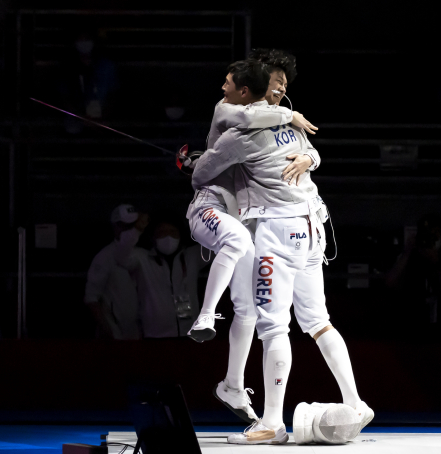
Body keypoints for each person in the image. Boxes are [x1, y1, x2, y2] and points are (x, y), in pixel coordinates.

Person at [192, 49, 372, 445]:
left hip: (278, 228)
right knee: (317, 320)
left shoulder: (240, 134)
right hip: (314, 228)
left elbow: (201, 174)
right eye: (275, 84)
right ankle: (356, 402)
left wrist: (198, 160)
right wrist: (307, 154)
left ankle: (272, 422)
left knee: (273, 325)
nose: (280, 90)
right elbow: (309, 146)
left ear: (244, 91)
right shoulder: (291, 123)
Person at [182, 58, 317, 422]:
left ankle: (232, 385)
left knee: (250, 309)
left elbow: (307, 151)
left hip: (240, 218)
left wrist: (307, 157)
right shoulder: (232, 115)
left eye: (283, 84)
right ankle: (206, 316)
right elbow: (242, 127)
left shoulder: (269, 123)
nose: (280, 91)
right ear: (254, 89)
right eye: (274, 83)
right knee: (239, 240)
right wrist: (290, 116)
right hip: (212, 206)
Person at [115, 219, 210, 338]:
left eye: (172, 232)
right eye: (162, 232)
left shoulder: (192, 256)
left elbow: (221, 243)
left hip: (190, 334)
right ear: (152, 237)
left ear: (180, 235)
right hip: (155, 335)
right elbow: (121, 255)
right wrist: (136, 230)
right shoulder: (142, 258)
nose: (168, 236)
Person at [84, 204, 143, 340]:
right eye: (124, 225)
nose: (129, 230)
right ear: (115, 227)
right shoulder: (104, 257)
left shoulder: (146, 255)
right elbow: (91, 298)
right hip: (116, 336)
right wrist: (108, 330)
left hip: (143, 334)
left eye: (132, 225)